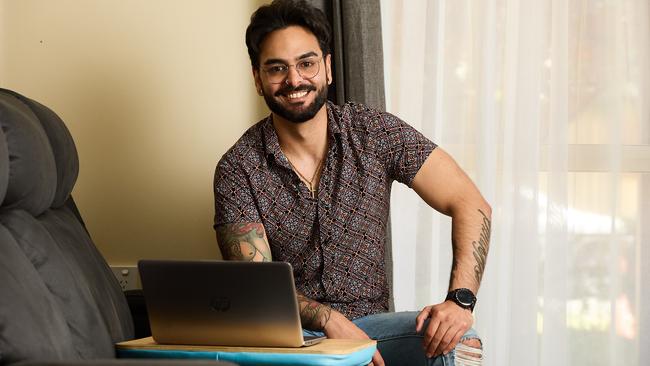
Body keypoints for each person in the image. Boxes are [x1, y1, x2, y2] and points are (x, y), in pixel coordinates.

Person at [213, 1, 490, 365]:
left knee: (461, 341)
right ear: (257, 79)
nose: (294, 80)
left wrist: (460, 301)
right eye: (277, 69)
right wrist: (330, 321)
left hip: (374, 330)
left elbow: (469, 202)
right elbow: (259, 290)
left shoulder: (375, 133)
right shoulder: (238, 168)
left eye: (306, 63)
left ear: (327, 68)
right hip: (292, 340)